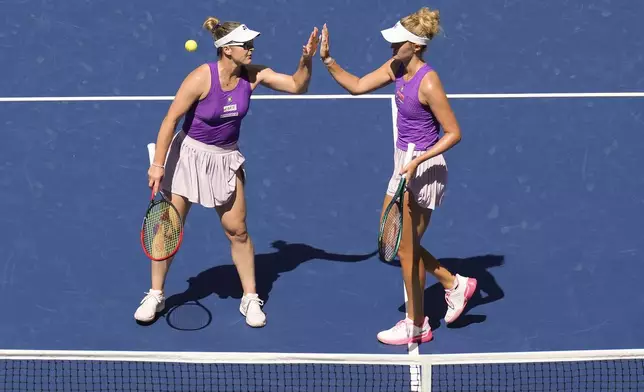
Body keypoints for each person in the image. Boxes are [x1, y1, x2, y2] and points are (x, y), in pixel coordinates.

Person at [134, 16, 319, 328]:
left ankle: (250, 297)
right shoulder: (200, 78)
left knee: (238, 231)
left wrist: (306, 59)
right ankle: (155, 293)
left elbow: (297, 86)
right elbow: (171, 120)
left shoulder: (254, 75)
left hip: (225, 160)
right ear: (227, 49)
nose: (252, 49)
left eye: (251, 44)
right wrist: (158, 164)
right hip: (188, 158)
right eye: (245, 45)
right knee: (168, 229)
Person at [319, 7, 477, 345]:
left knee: (405, 249)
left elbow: (453, 132)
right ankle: (454, 284)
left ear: (416, 46)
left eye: (398, 44)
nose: (391, 49)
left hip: (423, 168)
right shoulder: (397, 67)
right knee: (397, 244)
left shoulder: (429, 81)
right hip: (403, 162)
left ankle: (417, 324)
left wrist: (420, 160)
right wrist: (329, 61)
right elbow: (359, 86)